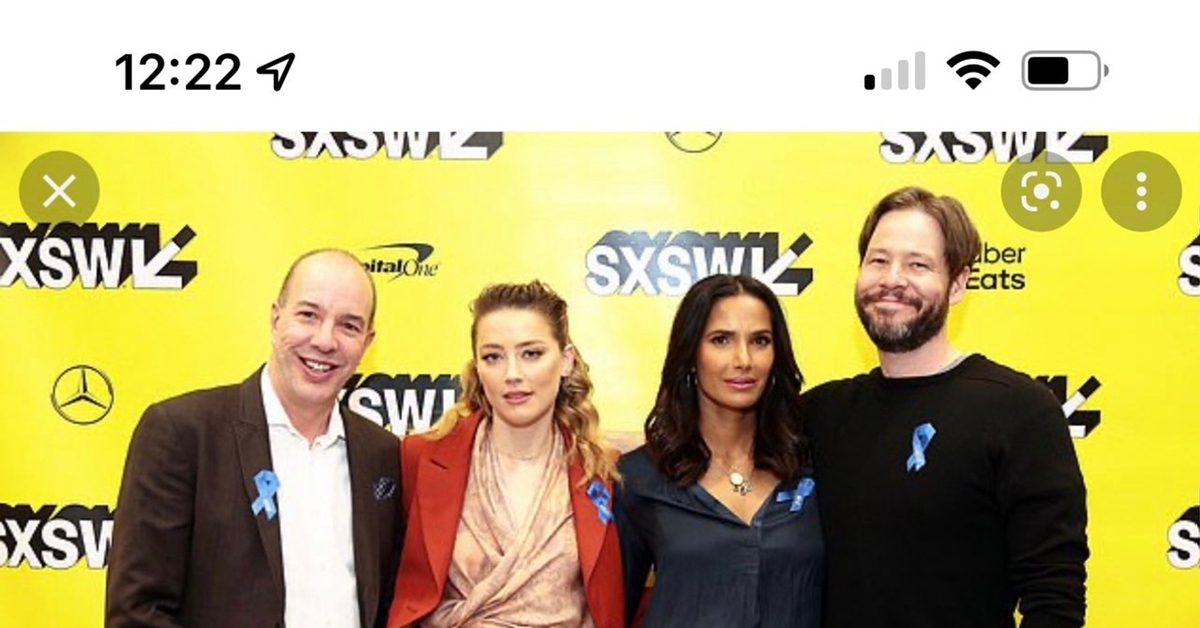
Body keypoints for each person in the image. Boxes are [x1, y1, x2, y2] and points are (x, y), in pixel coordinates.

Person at [802, 186, 1089, 628]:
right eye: (878, 260)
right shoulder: (818, 414)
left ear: (958, 284)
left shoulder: (1019, 410)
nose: (892, 279)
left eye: (917, 264)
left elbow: (1054, 598)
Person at [106, 249, 403, 628]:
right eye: (308, 315)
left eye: (348, 325)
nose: (325, 340)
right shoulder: (183, 433)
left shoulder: (383, 455)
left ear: (367, 342)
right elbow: (137, 612)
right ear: (276, 318)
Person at [386, 280, 623, 628]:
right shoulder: (421, 458)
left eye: (531, 354)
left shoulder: (601, 470)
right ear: (478, 368)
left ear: (566, 361)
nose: (512, 374)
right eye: (493, 357)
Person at [615, 273, 823, 628]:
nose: (744, 359)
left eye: (760, 340)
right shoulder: (638, 479)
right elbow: (608, 611)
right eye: (721, 340)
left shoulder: (812, 466)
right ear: (690, 353)